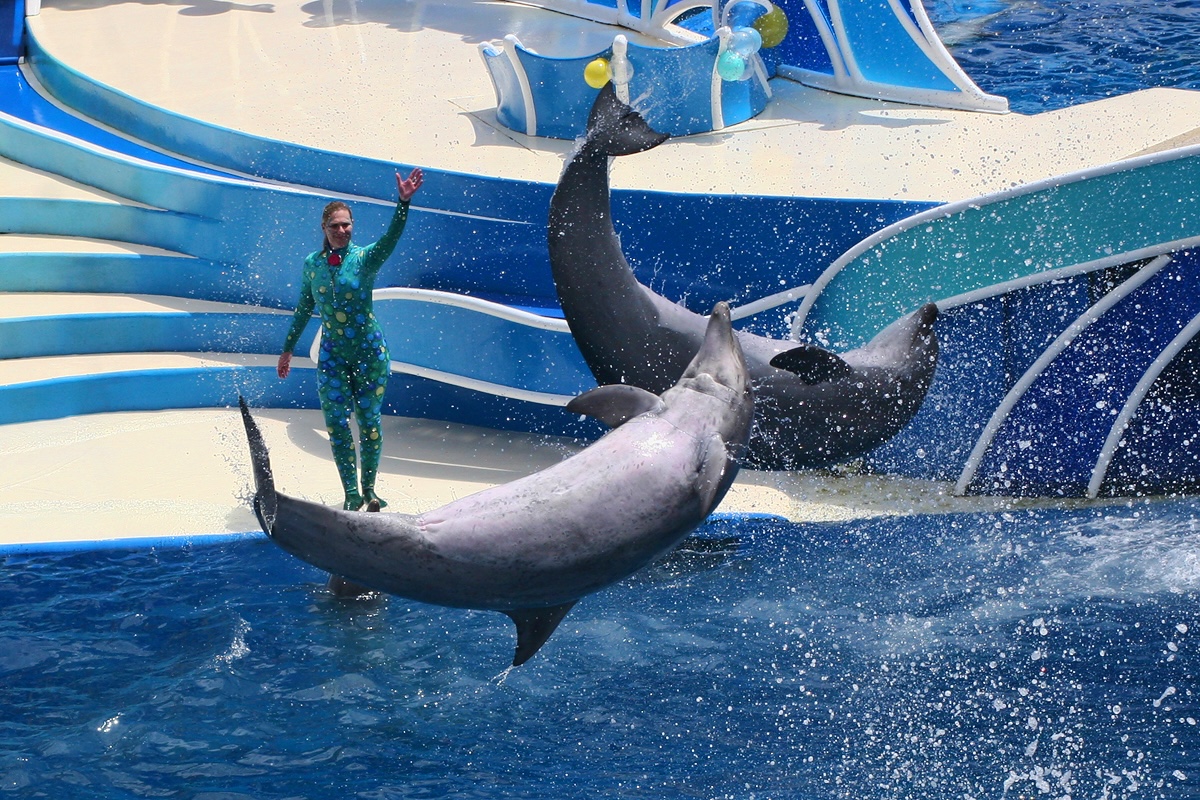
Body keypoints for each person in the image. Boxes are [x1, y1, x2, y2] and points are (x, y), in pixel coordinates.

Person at [277, 168, 424, 510]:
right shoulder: (312, 264)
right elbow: (303, 308)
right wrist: (287, 350)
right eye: (335, 226)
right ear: (324, 229)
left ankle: (370, 490)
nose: (342, 230)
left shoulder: (364, 259)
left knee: (369, 423)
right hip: (332, 356)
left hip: (369, 353)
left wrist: (403, 204)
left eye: (347, 225)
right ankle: (350, 495)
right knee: (336, 424)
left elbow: (390, 239)